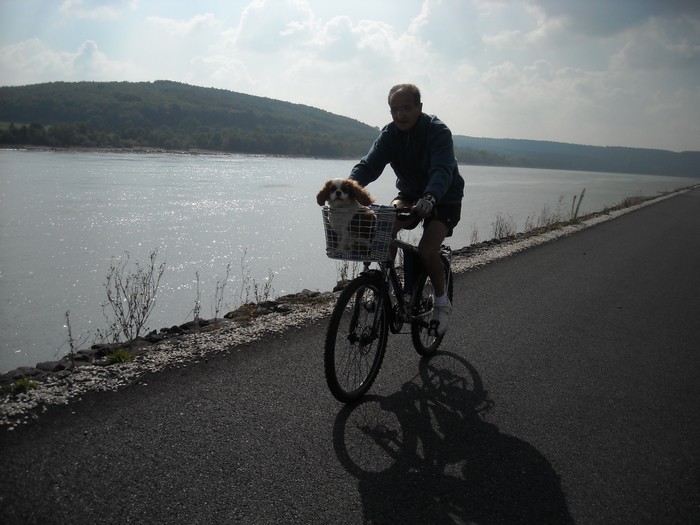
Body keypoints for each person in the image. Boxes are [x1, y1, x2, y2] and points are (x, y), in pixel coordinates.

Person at [349, 83, 464, 336]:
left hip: (444, 196)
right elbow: (369, 165)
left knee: (426, 250)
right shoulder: (390, 134)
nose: (400, 115)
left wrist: (431, 196)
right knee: (383, 224)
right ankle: (386, 287)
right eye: (394, 110)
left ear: (419, 108)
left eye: (406, 109)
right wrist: (349, 188)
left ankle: (442, 303)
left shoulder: (437, 131)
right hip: (410, 194)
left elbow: (442, 170)